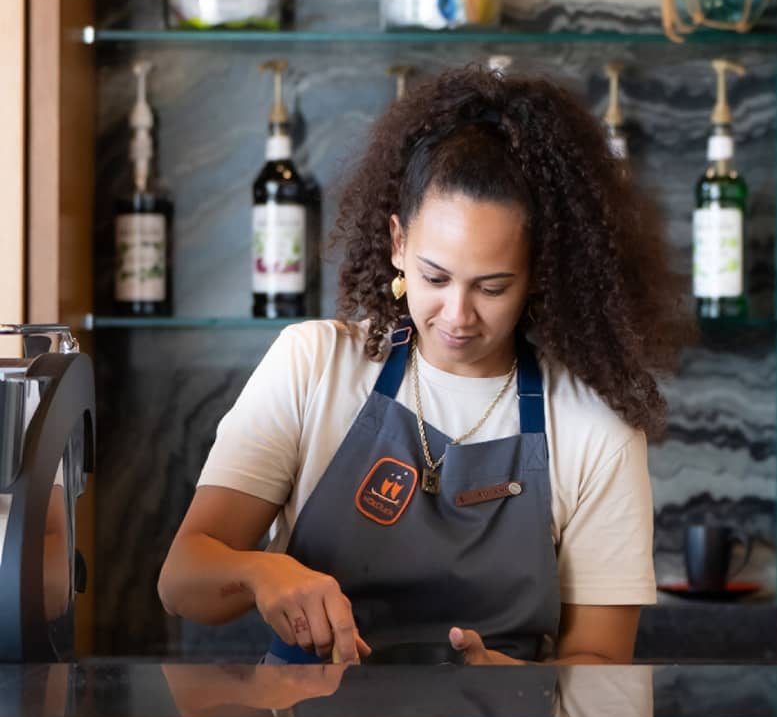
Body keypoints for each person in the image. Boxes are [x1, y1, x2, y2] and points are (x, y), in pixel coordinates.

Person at [157, 64, 681, 666]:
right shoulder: (313, 366)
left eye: (492, 287)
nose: (457, 314)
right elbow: (181, 582)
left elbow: (602, 667)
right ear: (398, 242)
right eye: (435, 277)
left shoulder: (596, 430)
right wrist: (260, 573)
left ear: (538, 273)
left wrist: (523, 688)